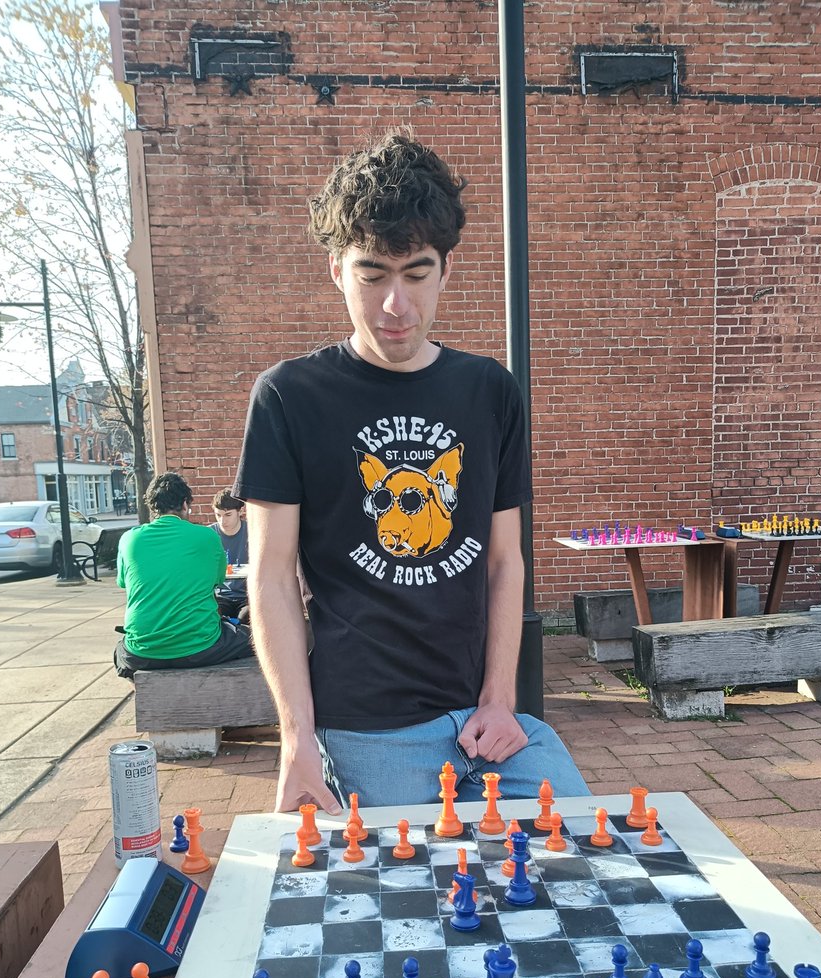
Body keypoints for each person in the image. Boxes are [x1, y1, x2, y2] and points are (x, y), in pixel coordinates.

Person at [234, 132, 589, 813]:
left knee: (578, 854)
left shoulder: (491, 391)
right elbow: (271, 575)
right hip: (368, 724)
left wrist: (500, 700)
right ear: (338, 270)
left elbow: (505, 560)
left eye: (416, 273)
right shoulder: (288, 396)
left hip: (485, 722)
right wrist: (296, 737)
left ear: (445, 270)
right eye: (373, 275)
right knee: (419, 902)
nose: (395, 304)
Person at [114, 471, 253, 679]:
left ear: (152, 507)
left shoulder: (128, 540)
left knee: (119, 652)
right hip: (201, 646)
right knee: (256, 640)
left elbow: (123, 582)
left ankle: (149, 698)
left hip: (143, 652)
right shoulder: (207, 536)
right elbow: (217, 580)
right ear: (186, 505)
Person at [210, 488, 250, 623]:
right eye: (218, 515)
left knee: (248, 617)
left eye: (228, 515)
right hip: (221, 596)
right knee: (214, 616)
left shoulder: (252, 532)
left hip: (247, 596)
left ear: (240, 511)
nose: (222, 521)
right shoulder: (209, 535)